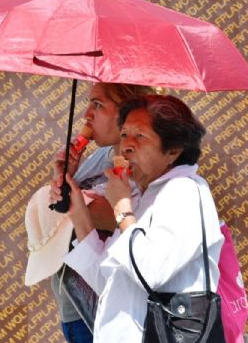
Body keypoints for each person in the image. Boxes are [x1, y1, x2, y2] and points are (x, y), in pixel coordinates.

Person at [62, 94, 224, 343]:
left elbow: (150, 272)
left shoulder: (185, 191)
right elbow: (109, 283)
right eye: (124, 134)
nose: (126, 145)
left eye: (140, 136)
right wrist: (79, 214)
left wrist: (122, 209)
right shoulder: (142, 196)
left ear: (173, 150)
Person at [24, 82, 155, 343]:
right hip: (74, 306)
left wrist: (74, 202)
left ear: (127, 113)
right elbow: (65, 209)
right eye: (88, 103)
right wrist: (64, 173)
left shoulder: (141, 167)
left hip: (108, 314)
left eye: (97, 105)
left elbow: (120, 218)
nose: (87, 114)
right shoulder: (102, 156)